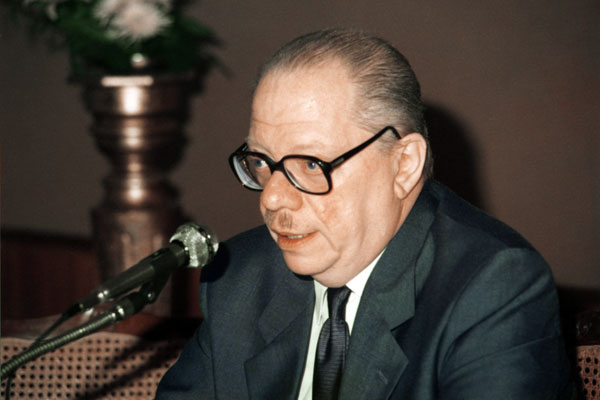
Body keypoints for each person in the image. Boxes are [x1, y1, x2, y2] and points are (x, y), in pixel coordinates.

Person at [156, 28, 573, 399]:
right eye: (262, 162)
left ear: (403, 164)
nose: (272, 198)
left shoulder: (492, 288)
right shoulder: (242, 277)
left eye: (311, 164)